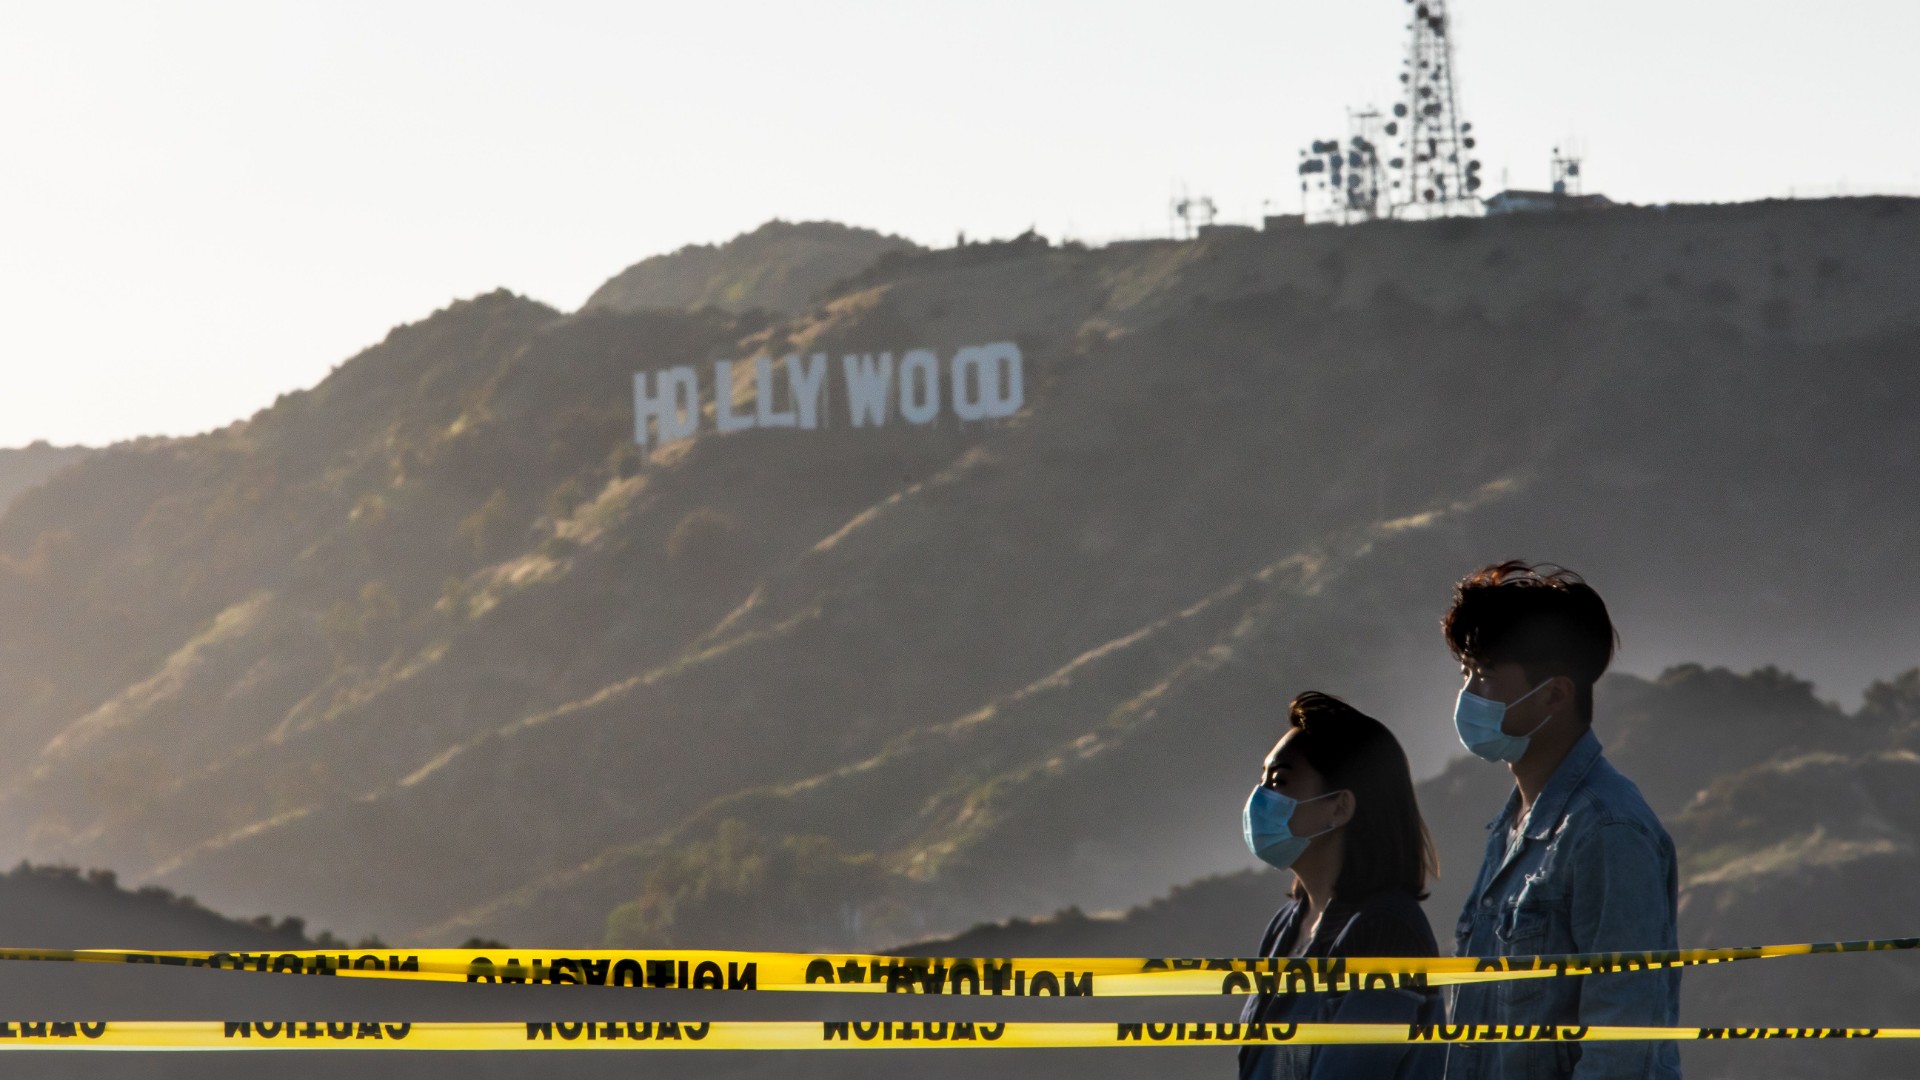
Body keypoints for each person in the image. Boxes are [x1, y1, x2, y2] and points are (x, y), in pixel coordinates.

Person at [1440, 561, 1680, 1080]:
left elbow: (1622, 1046)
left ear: (1554, 694)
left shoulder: (1607, 832)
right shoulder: (1513, 829)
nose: (1467, 694)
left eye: (1485, 674)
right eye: (1466, 672)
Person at [1237, 691, 1444, 1080]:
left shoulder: (1386, 931)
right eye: (1262, 779)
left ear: (1339, 807)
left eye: (1279, 781)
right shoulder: (1286, 926)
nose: (1260, 798)